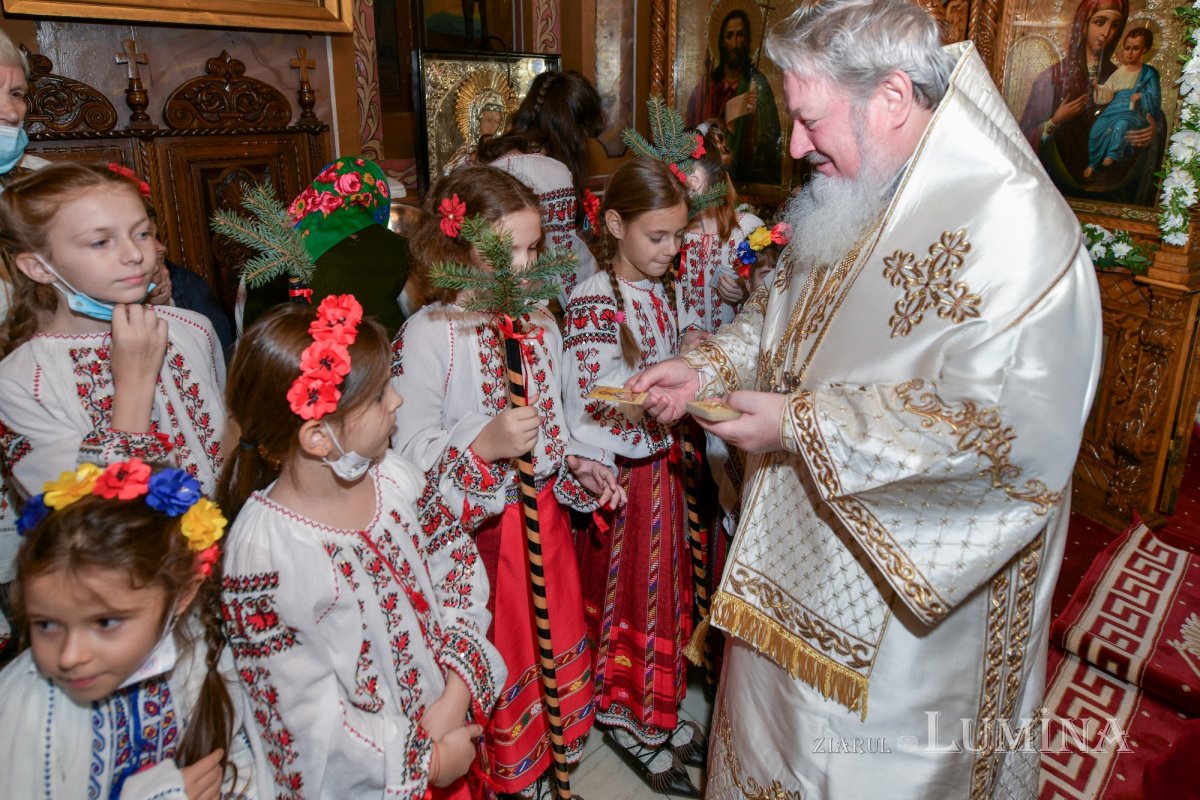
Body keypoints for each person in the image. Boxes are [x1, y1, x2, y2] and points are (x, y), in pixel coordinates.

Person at [629, 1, 1103, 796]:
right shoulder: (853, 186)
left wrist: (799, 425)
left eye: (810, 119)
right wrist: (706, 368)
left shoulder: (1016, 228)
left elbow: (1003, 434)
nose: (794, 145)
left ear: (890, 97)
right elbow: (779, 315)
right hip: (783, 558)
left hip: (902, 626)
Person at [391, 165, 621, 796]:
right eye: (507, 252)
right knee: (506, 652)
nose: (525, 267)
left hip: (545, 527)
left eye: (533, 249)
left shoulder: (541, 323)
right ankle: (506, 773)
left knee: (552, 648)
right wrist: (484, 445)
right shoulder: (431, 334)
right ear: (460, 246)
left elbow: (555, 425)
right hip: (483, 546)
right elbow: (407, 456)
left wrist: (577, 462)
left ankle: (548, 761)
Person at [218, 296, 505, 797]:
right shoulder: (266, 552)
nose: (397, 402)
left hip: (447, 725)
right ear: (318, 437)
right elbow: (305, 717)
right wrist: (429, 761)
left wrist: (454, 697)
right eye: (378, 396)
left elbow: (456, 566)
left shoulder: (392, 477)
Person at [0, 162, 226, 659]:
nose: (134, 255)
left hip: (216, 587)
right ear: (38, 267)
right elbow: (90, 528)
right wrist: (135, 382)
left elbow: (220, 454)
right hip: (118, 614)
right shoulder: (21, 381)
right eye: (101, 242)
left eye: (141, 233)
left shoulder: (192, 329)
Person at [561, 158, 703, 797]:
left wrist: (688, 351)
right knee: (632, 594)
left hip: (662, 466)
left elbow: (664, 350)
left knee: (665, 586)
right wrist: (648, 399)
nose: (671, 250)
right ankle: (627, 715)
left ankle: (658, 706)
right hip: (623, 475)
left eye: (678, 236)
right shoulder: (594, 300)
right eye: (658, 236)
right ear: (616, 225)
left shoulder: (659, 286)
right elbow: (589, 393)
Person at [0, 458, 266, 798]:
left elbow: (235, 762)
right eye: (47, 624)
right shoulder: (30, 709)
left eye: (106, 623)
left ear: (184, 594)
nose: (69, 656)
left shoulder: (199, 653)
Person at [239, 156, 411, 335]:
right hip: (367, 346)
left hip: (275, 345)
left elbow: (248, 309)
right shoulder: (395, 246)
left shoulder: (272, 236)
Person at [476, 70, 605, 307]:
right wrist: (596, 307)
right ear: (571, 131)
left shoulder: (488, 157)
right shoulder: (551, 173)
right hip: (519, 301)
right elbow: (567, 267)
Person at [1018, 0, 1163, 205]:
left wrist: (1153, 129)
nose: (1106, 33)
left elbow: (1149, 114)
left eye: (1115, 25)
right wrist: (1055, 121)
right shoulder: (1051, 78)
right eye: (1100, 22)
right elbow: (1022, 140)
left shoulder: (1122, 76)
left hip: (1113, 194)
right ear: (1083, 24)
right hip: (1056, 193)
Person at [676, 120, 760, 350]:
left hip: (737, 353)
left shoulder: (747, 230)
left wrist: (745, 293)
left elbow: (774, 300)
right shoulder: (673, 236)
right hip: (686, 355)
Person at [686, 8, 782, 186]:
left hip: (746, 174)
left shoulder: (757, 83)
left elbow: (770, 139)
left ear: (748, 40)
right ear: (722, 42)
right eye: (729, 36)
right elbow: (691, 128)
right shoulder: (707, 85)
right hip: (707, 174)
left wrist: (756, 115)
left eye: (740, 35)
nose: (735, 43)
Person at [145, 207, 236, 358]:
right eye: (144, 237)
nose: (162, 248)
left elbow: (221, 356)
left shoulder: (189, 287)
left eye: (156, 237)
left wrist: (165, 304)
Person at [1085, 27, 1161, 180]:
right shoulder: (1119, 72)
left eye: (1135, 48)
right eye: (1127, 48)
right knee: (1096, 129)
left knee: (1122, 125)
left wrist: (1142, 96)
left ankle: (1113, 154)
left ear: (1145, 49)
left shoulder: (1149, 73)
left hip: (1133, 112)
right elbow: (1108, 91)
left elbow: (1154, 97)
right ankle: (1093, 163)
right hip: (1113, 108)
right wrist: (1096, 87)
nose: (1130, 53)